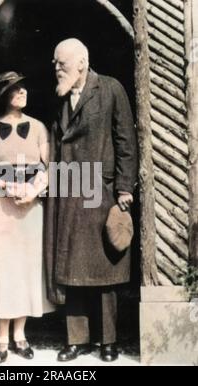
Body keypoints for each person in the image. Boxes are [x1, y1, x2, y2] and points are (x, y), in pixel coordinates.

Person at [45, 39, 138, 362]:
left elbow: (126, 139)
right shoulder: (59, 99)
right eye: (55, 63)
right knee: (72, 267)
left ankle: (107, 340)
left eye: (62, 63)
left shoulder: (111, 89)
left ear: (82, 62)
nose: (57, 69)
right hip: (69, 193)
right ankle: (77, 340)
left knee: (104, 269)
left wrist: (125, 187)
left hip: (101, 191)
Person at [0, 71, 54, 364]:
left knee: (25, 269)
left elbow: (49, 166)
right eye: (16, 89)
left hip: (31, 206)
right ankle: (1, 338)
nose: (23, 93)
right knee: (3, 269)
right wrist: (5, 184)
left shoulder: (39, 128)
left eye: (24, 89)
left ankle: (21, 335)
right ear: (4, 96)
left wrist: (34, 191)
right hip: (0, 206)